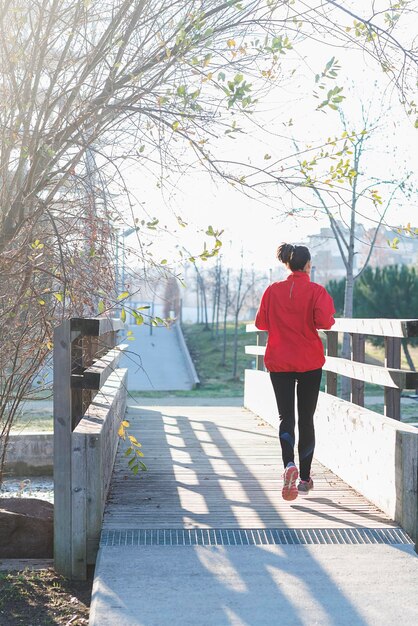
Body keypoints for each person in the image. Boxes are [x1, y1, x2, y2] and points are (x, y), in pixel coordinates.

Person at [255, 243, 335, 501]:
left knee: (285, 417)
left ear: (286, 265)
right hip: (309, 362)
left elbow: (260, 323)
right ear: (308, 265)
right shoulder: (316, 291)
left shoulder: (272, 290)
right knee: (307, 418)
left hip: (279, 361)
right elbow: (326, 322)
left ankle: (289, 464)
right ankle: (304, 478)